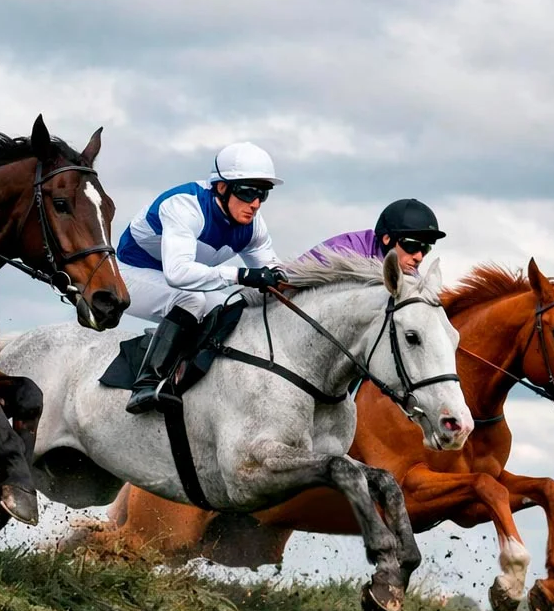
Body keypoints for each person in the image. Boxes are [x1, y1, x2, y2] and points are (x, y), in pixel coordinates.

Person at [117, 142, 286, 414]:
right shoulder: (185, 206)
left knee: (235, 308)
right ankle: (147, 384)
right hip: (129, 275)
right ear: (221, 187)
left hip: (185, 280)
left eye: (263, 194)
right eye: (248, 192)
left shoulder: (254, 226)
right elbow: (178, 273)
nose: (255, 204)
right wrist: (241, 274)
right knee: (192, 299)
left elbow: (273, 271)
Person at [300, 198, 446, 275]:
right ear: (387, 238)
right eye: (412, 245)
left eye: (425, 248)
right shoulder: (343, 252)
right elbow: (285, 282)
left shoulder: (410, 274)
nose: (419, 257)